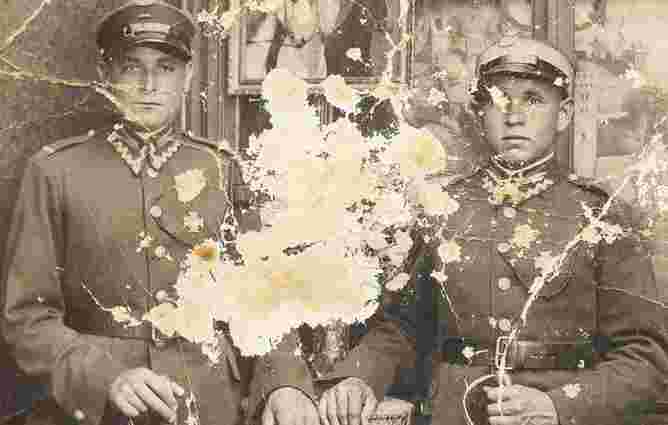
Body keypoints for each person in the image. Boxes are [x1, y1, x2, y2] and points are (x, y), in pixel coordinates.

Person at [263, 36, 668, 425]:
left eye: (533, 99)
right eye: (498, 99)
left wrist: (559, 407)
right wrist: (359, 378)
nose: (514, 115)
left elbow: (646, 358)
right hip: (450, 413)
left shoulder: (602, 216)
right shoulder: (444, 207)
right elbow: (404, 328)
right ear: (479, 113)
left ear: (564, 114)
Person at [0, 2, 313, 425]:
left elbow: (265, 298)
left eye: (165, 68)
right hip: (100, 410)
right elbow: (27, 319)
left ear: (187, 76)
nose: (149, 84)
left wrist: (285, 383)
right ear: (106, 74)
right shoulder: (54, 171)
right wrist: (104, 377)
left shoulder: (223, 170)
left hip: (208, 405)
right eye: (132, 67)